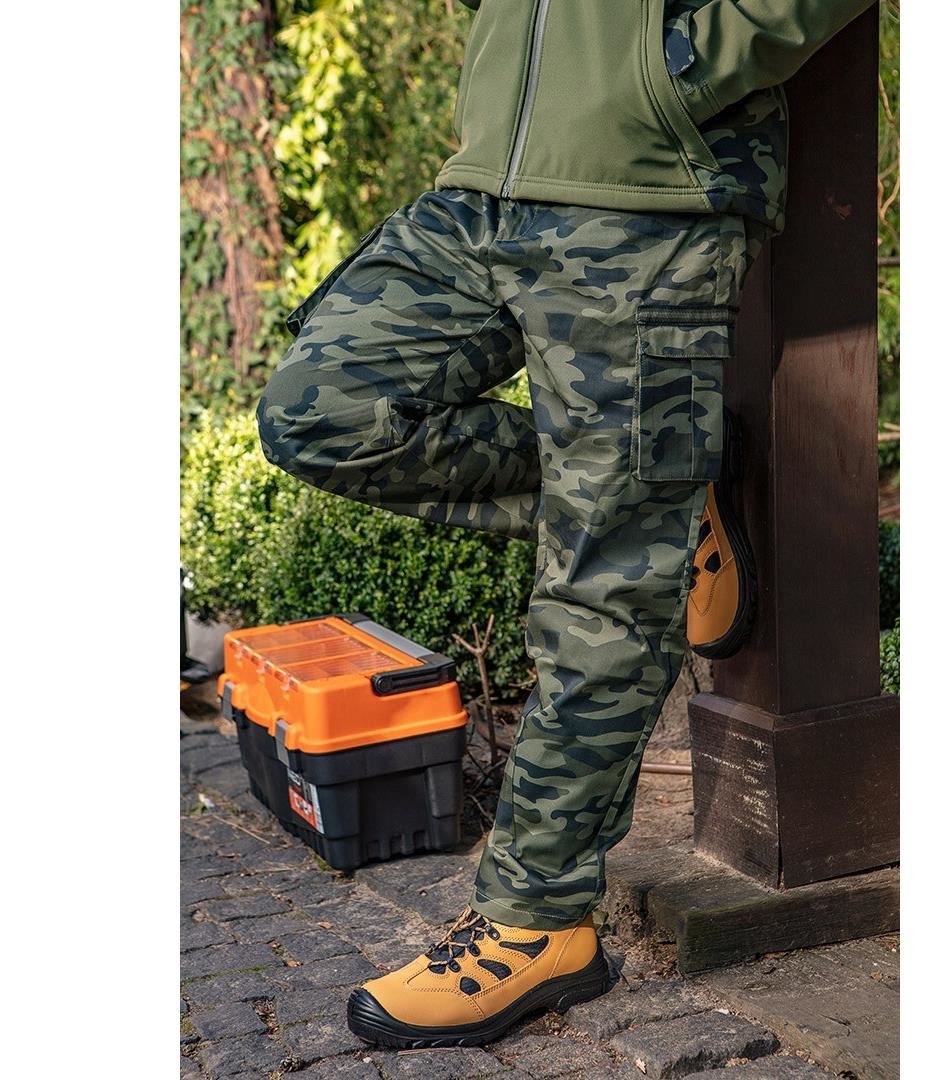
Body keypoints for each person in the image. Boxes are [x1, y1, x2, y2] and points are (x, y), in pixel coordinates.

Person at [257, 0, 873, 1049]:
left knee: (606, 581)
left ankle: (538, 923)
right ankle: (657, 500)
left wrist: (670, 77)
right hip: (487, 182)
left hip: (648, 195)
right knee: (320, 412)